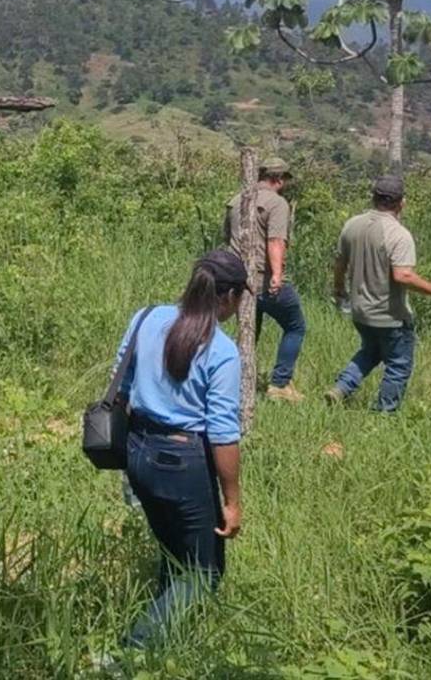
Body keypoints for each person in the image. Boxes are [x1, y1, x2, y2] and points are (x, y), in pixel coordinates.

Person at [113, 249, 246, 649]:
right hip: (182, 462)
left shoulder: (146, 318)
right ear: (229, 296)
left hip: (137, 453)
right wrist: (233, 500)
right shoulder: (221, 351)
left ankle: (162, 637)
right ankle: (134, 652)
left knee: (174, 552)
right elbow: (223, 433)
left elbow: (120, 384)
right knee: (205, 572)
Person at [326, 175, 431, 412]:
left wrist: (339, 290)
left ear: (374, 197)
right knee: (398, 364)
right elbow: (403, 275)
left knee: (370, 351)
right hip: (390, 315)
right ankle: (384, 413)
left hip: (359, 311)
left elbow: (339, 263)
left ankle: (341, 388)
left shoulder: (352, 225)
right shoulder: (398, 234)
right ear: (401, 203)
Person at [225, 156, 307, 403]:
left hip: (236, 279)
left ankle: (234, 381)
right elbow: (275, 241)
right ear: (278, 179)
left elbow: (227, 238)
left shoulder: (235, 201)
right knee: (295, 326)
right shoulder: (277, 203)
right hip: (262, 276)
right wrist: (277, 276)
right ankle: (280, 384)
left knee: (250, 331)